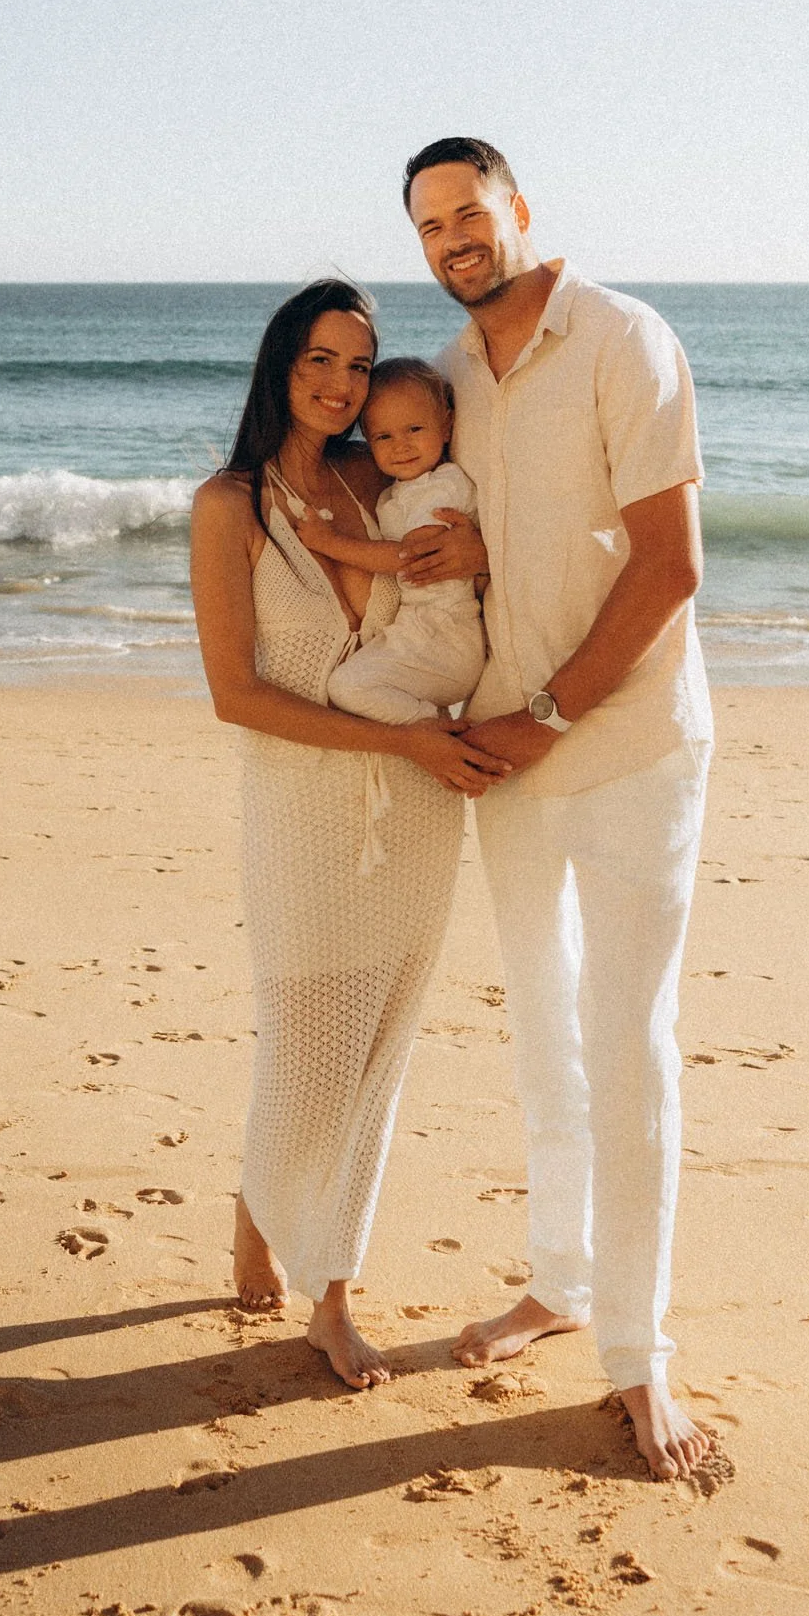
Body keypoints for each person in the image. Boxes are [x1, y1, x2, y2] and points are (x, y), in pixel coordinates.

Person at [402, 136, 716, 1480]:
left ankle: (638, 1359)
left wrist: (545, 715)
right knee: (542, 1024)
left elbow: (667, 567)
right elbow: (485, 536)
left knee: (626, 1038)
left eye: (468, 213)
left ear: (520, 212)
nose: (451, 239)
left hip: (628, 744)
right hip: (507, 759)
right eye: (427, 225)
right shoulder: (455, 375)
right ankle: (558, 1278)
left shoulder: (621, 340)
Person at [189, 281, 509, 1389]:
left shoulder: (386, 477)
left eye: (358, 367)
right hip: (303, 800)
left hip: (412, 803)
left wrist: (474, 549)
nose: (339, 386)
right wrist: (401, 744)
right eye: (319, 360)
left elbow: (470, 571)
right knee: (305, 1033)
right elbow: (235, 692)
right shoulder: (227, 504)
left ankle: (318, 1279)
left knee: (378, 1042)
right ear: (281, 363)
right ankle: (290, 1241)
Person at [298, 357, 487, 729]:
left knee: (345, 687)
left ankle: (434, 725)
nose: (400, 446)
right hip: (418, 632)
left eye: (414, 429)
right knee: (343, 686)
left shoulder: (443, 486)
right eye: (384, 437)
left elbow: (408, 557)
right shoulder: (393, 497)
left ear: (446, 426)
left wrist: (329, 542)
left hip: (445, 639)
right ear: (368, 444)